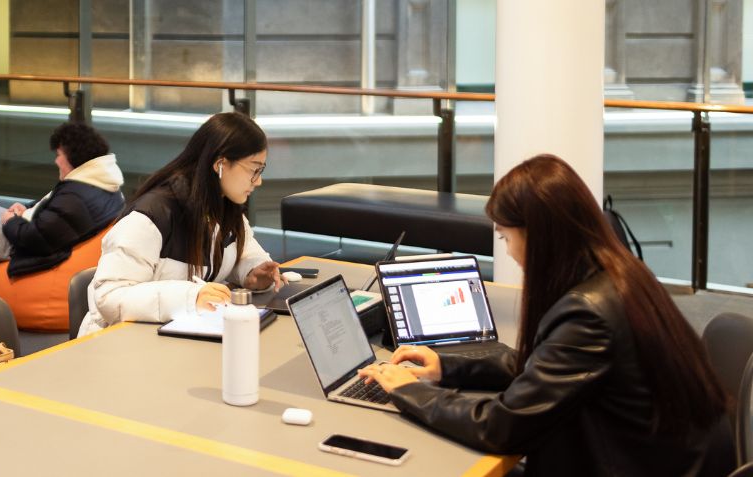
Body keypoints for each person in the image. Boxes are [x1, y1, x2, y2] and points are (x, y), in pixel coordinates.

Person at [358, 154, 732, 476]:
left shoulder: (588, 313)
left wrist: (411, 391)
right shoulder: (620, 273)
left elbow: (504, 427)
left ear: (538, 235)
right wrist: (447, 367)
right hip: (662, 460)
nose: (506, 250)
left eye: (506, 236)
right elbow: (543, 368)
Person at [77, 112, 283, 337]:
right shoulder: (152, 216)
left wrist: (252, 272)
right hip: (113, 342)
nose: (259, 181)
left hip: (171, 336)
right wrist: (191, 297)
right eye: (254, 170)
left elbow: (238, 256)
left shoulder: (227, 209)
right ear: (221, 164)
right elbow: (109, 297)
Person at [0, 122, 125, 292]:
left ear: (73, 158)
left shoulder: (75, 196)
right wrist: (25, 209)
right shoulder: (96, 181)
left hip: (28, 249)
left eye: (59, 155)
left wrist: (11, 221)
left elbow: (37, 238)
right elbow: (54, 209)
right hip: (42, 234)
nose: (56, 161)